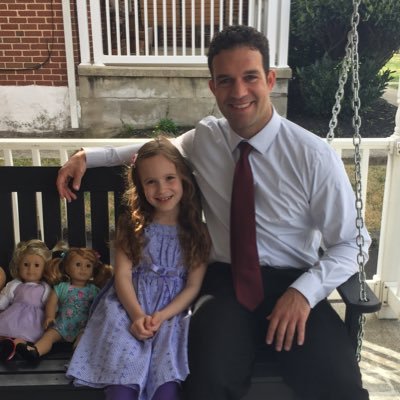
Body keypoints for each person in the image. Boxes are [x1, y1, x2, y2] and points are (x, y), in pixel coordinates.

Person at [56, 25, 371, 400]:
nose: (238, 92)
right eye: (225, 80)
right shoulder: (206, 138)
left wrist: (304, 293)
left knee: (339, 384)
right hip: (225, 284)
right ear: (213, 87)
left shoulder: (313, 155)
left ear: (270, 80)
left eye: (250, 77)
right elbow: (156, 150)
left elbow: (353, 242)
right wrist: (87, 157)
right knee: (206, 382)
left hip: (294, 281)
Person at [66, 136, 210, 400]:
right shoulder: (132, 226)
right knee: (122, 382)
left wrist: (162, 315)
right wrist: (136, 316)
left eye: (169, 178)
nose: (161, 188)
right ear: (140, 186)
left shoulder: (197, 232)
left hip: (172, 312)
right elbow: (121, 276)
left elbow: (193, 286)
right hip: (127, 306)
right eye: (151, 181)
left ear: (183, 179)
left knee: (166, 386)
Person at [16, 246, 113, 362]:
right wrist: (50, 316)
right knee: (49, 336)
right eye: (78, 264)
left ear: (93, 270)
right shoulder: (62, 287)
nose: (83, 269)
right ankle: (35, 351)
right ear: (67, 267)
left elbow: (101, 306)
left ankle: (78, 359)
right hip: (62, 325)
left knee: (83, 339)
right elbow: (51, 303)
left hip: (83, 326)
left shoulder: (94, 290)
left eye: (88, 266)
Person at [0, 239, 53, 361]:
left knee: (24, 338)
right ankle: (6, 347)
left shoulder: (45, 288)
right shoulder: (14, 284)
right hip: (12, 316)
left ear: (44, 269)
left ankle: (18, 347)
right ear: (18, 266)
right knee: (3, 333)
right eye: (26, 264)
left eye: (37, 265)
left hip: (32, 321)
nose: (30, 269)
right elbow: (4, 300)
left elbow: (50, 304)